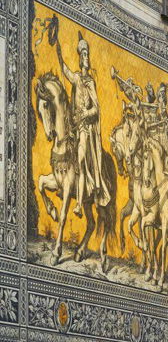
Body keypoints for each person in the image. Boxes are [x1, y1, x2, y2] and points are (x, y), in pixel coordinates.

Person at [56, 31, 109, 217]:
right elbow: (65, 70)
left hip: (85, 128)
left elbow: (97, 109)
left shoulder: (90, 83)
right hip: (74, 127)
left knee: (79, 159)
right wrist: (58, 48)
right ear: (80, 58)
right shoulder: (77, 78)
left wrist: (86, 113)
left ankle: (78, 204)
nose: (86, 57)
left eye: (87, 54)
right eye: (83, 54)